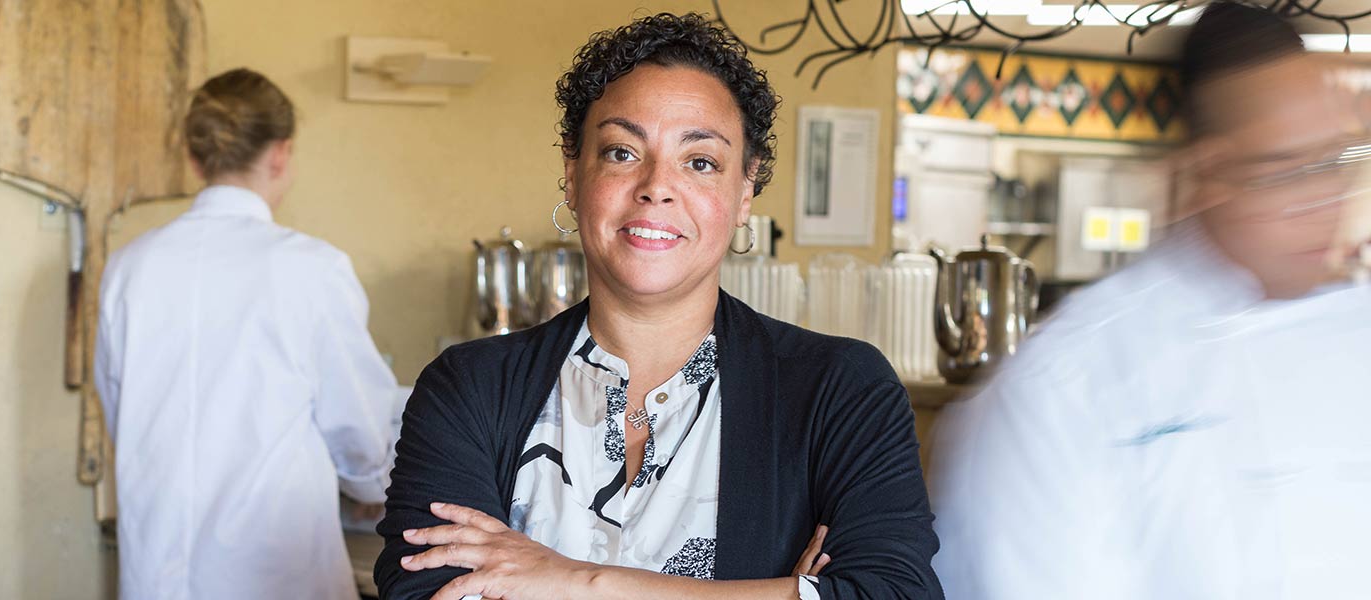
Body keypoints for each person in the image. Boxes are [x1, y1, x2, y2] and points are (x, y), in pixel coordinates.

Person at [374, 13, 942, 600]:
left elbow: (893, 593)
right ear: (573, 174)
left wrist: (577, 581)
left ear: (745, 192)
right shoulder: (469, 387)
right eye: (622, 152)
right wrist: (785, 591)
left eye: (699, 162)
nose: (656, 186)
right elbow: (425, 592)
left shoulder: (840, 389)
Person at [929, 4, 1371, 598]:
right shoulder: (1063, 385)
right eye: (1285, 173)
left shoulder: (1356, 332)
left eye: (1334, 162)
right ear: (1204, 176)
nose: (1323, 201)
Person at [94, 68, 407, 600]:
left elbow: (123, 414)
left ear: (195, 159)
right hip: (272, 576)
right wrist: (372, 486)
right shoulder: (312, 269)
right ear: (281, 154)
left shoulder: (128, 268)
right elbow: (361, 435)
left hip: (155, 573)